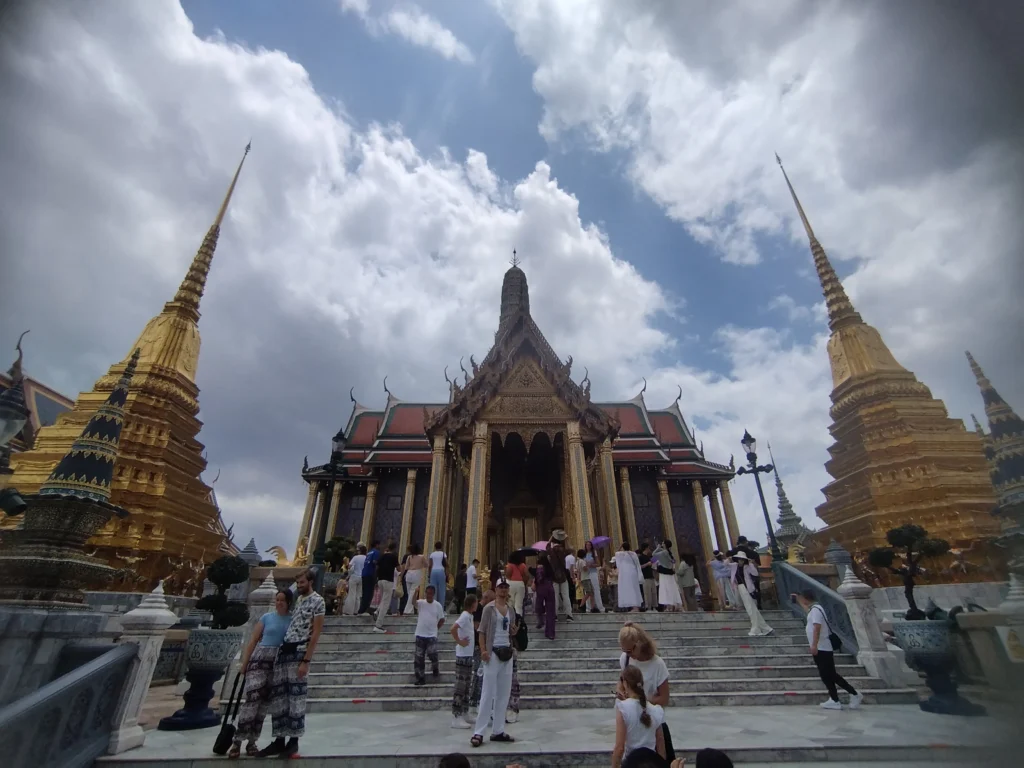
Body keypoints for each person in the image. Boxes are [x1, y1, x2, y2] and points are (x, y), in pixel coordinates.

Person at [259, 569, 324, 758]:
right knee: (279, 699)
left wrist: (306, 660)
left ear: (310, 581)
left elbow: (316, 633)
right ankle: (279, 740)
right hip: (284, 650)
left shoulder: (318, 601)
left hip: (299, 652)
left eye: (302, 582)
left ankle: (293, 742)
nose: (299, 586)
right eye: (298, 583)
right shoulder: (299, 600)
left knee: (296, 699)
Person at [230, 589, 293, 757]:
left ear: (289, 602)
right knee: (251, 700)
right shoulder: (267, 618)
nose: (279, 603)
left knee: (264, 704)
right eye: (277, 599)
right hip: (259, 660)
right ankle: (237, 741)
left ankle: (252, 741)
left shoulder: (293, 620)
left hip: (277, 664)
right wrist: (244, 662)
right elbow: (253, 640)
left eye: (283, 600)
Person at [793, 590, 863, 710]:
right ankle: (835, 699)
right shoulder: (814, 609)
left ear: (805, 597)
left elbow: (817, 627)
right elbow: (808, 614)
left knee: (830, 674)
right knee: (827, 675)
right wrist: (799, 602)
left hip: (822, 647)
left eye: (801, 598)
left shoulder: (816, 610)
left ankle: (854, 693)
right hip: (821, 647)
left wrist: (814, 645)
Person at [471, 579, 518, 747]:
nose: (503, 590)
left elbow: (511, 630)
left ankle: (498, 730)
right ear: (495, 589)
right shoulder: (488, 609)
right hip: (492, 652)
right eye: (501, 587)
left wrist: (514, 632)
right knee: (487, 693)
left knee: (503, 694)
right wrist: (483, 650)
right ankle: (479, 731)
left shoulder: (511, 610)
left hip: (507, 651)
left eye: (506, 587)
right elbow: (481, 631)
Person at [618, 622, 673, 761]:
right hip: (633, 725)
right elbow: (621, 682)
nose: (628, 654)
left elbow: (664, 699)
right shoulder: (625, 659)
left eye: (630, 650)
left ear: (639, 643)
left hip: (653, 723)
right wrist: (621, 693)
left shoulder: (658, 664)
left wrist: (640, 700)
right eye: (625, 651)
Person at [612, 664, 666, 768]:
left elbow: (619, 747)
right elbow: (660, 742)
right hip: (652, 763)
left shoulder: (622, 708)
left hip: (632, 763)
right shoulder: (656, 710)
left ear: (625, 684)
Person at [450, 594, 479, 728]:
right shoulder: (465, 616)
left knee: (467, 685)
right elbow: (453, 628)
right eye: (476, 603)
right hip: (462, 655)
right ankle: (456, 715)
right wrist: (459, 641)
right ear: (472, 604)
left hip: (468, 655)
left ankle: (465, 711)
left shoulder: (470, 617)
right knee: (461, 686)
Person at [731, 553, 773, 637]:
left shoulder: (747, 567)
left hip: (747, 588)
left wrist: (750, 564)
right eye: (739, 559)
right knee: (751, 609)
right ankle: (765, 628)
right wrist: (728, 559)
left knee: (751, 609)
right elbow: (725, 565)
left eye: (742, 559)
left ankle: (755, 629)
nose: (741, 561)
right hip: (739, 588)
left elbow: (755, 573)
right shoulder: (734, 566)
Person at [413, 584, 446, 685]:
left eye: (431, 594)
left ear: (433, 594)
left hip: (431, 635)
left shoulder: (438, 605)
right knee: (419, 658)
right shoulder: (421, 603)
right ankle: (420, 678)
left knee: (432, 653)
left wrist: (436, 628)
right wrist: (416, 592)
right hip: (420, 633)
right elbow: (413, 603)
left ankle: (435, 667)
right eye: (427, 593)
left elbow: (442, 619)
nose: (429, 595)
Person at [373, 542, 400, 632]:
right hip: (388, 580)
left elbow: (377, 566)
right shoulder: (393, 556)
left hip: (380, 580)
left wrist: (377, 578)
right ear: (395, 548)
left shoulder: (382, 556)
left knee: (384, 599)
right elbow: (399, 568)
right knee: (386, 603)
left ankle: (377, 611)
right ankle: (378, 625)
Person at [547, 530, 574, 620]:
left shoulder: (552, 551)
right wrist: (566, 539)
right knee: (566, 596)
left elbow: (546, 546)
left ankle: (555, 615)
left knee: (555, 597)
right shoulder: (563, 550)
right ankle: (569, 614)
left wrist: (551, 536)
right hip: (563, 576)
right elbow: (571, 550)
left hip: (555, 576)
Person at [613, 540, 644, 612]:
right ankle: (635, 606)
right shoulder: (633, 554)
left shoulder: (620, 554)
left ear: (623, 547)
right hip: (633, 572)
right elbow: (637, 564)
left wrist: (620, 546)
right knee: (634, 588)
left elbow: (615, 554)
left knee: (629, 589)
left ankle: (635, 607)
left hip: (625, 574)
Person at [652, 540, 681, 611]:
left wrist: (658, 548)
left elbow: (653, 554)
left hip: (664, 574)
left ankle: (669, 606)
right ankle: (674, 605)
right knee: (671, 589)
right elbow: (674, 561)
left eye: (663, 543)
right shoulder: (669, 552)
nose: (661, 543)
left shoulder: (663, 552)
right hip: (670, 574)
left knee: (666, 589)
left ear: (664, 544)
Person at [533, 553, 557, 640]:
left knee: (538, 606)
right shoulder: (550, 568)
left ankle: (541, 621)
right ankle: (550, 633)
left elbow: (539, 579)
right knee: (551, 612)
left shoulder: (540, 568)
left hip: (542, 589)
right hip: (550, 588)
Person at [403, 544, 428, 615]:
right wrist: (421, 565)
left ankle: (410, 610)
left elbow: (406, 567)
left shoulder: (409, 557)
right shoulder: (421, 557)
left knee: (409, 593)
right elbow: (426, 565)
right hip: (417, 573)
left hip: (409, 574)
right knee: (412, 593)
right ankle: (407, 610)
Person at [357, 540, 380, 615]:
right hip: (370, 574)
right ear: (377, 545)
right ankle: (365, 609)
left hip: (364, 574)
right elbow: (375, 563)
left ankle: (362, 608)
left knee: (364, 592)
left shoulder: (369, 553)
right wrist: (377, 575)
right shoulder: (376, 552)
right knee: (369, 593)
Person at [583, 540, 606, 612]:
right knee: (587, 590)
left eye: (589, 545)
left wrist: (592, 565)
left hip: (593, 572)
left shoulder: (594, 553)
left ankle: (599, 606)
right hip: (586, 573)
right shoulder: (584, 554)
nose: (588, 546)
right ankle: (589, 607)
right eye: (587, 545)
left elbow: (598, 564)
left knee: (596, 589)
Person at [505, 552, 530, 616]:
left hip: (511, 583)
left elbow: (508, 574)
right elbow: (527, 575)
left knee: (510, 602)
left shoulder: (510, 565)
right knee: (519, 604)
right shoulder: (523, 565)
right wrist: (524, 582)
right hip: (520, 584)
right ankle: (519, 619)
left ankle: (511, 617)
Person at [344, 544, 366, 615]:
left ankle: (349, 611)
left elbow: (349, 566)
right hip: (362, 577)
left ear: (360, 551)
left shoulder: (356, 557)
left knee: (352, 594)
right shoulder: (366, 558)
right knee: (358, 595)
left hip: (354, 576)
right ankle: (356, 610)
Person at [637, 544, 657, 612]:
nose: (649, 549)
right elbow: (639, 567)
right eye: (648, 548)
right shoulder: (640, 557)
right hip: (645, 577)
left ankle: (654, 607)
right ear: (646, 548)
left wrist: (654, 560)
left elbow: (654, 561)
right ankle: (648, 607)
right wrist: (646, 564)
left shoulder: (649, 556)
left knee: (654, 592)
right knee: (647, 593)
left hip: (651, 576)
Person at [429, 541, 449, 608]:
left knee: (433, 589)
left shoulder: (432, 554)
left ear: (435, 547)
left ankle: (432, 606)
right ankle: (440, 608)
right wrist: (447, 574)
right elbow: (446, 565)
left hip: (433, 571)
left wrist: (429, 575)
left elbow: (430, 565)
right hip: (441, 571)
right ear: (441, 547)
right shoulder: (443, 554)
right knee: (442, 590)